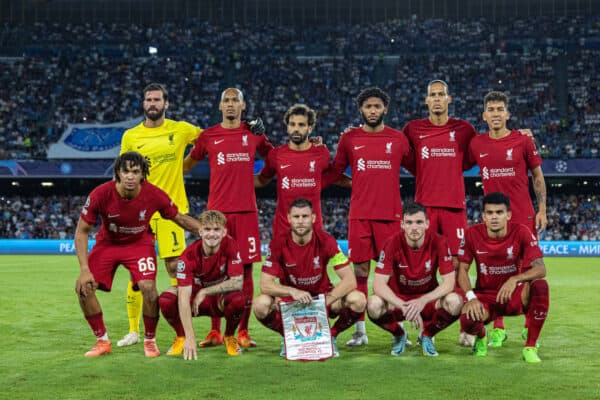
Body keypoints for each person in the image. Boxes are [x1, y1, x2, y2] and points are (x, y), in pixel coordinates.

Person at [74, 152, 202, 357]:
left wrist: (205, 230)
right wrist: (84, 270)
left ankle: (150, 340)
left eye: (135, 171)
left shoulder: (155, 194)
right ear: (118, 173)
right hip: (108, 244)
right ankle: (102, 341)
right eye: (126, 171)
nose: (130, 176)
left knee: (148, 288)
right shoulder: (100, 194)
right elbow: (81, 231)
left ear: (143, 174)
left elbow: (179, 218)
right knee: (84, 288)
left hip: (139, 244)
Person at [184, 87, 273, 348]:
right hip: (217, 215)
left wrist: (262, 179)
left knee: (245, 271)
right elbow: (187, 164)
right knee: (215, 270)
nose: (231, 105)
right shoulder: (208, 136)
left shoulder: (253, 134)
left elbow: (276, 157)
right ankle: (215, 331)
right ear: (220, 106)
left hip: (246, 212)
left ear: (243, 106)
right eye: (227, 101)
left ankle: (242, 331)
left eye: (236, 101)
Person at [117, 83, 202, 347]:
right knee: (137, 273)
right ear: (143, 104)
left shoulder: (181, 129)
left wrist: (187, 164)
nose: (152, 103)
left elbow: (211, 139)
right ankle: (133, 330)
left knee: (175, 267)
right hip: (140, 213)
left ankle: (180, 330)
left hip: (172, 212)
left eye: (157, 99)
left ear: (166, 104)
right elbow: (123, 175)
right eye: (148, 99)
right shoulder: (131, 136)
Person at [328, 87, 412, 346]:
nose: (373, 110)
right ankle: (360, 331)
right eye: (368, 107)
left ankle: (400, 330)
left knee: (394, 274)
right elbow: (334, 172)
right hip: (361, 216)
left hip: (390, 216)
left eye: (377, 106)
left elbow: (419, 168)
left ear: (385, 109)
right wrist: (358, 183)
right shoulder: (350, 139)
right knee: (361, 271)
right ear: (361, 110)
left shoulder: (398, 139)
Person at [467, 91, 547, 347]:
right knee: (494, 272)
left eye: (500, 109)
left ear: (507, 114)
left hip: (523, 217)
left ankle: (528, 325)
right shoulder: (476, 144)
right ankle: (498, 328)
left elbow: (537, 176)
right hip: (494, 219)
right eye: (491, 109)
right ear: (484, 115)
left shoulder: (522, 141)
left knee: (529, 273)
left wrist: (542, 208)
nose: (496, 114)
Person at [253, 198, 366, 357]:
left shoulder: (327, 241)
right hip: (292, 302)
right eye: (296, 217)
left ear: (313, 218)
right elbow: (265, 285)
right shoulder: (278, 243)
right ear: (289, 218)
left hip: (322, 298)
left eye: (305, 216)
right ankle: (289, 337)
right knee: (260, 304)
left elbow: (350, 280)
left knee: (358, 299)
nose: (300, 221)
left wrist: (325, 302)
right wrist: (293, 291)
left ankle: (331, 336)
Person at [457, 192, 549, 363]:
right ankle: (482, 338)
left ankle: (530, 347)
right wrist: (471, 297)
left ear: (508, 215)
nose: (494, 217)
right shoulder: (471, 234)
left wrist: (514, 279)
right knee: (467, 320)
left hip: (515, 295)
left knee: (541, 286)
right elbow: (462, 270)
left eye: (499, 212)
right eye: (489, 213)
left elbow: (541, 269)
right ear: (483, 216)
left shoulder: (521, 231)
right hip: (486, 296)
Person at [367, 202, 462, 356]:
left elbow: (449, 283)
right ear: (402, 224)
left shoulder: (439, 241)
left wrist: (422, 301)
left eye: (419, 222)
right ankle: (399, 334)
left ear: (427, 224)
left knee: (455, 302)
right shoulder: (392, 243)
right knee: (373, 305)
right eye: (409, 223)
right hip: (399, 300)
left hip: (427, 301)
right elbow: (378, 284)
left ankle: (428, 335)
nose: (414, 227)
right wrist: (403, 305)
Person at [158, 210, 246, 359]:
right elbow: (183, 298)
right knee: (166, 299)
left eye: (216, 229)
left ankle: (229, 336)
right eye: (207, 229)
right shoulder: (188, 256)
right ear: (200, 231)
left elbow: (237, 282)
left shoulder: (230, 245)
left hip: (218, 299)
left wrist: (205, 291)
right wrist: (190, 336)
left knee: (239, 300)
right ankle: (181, 337)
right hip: (195, 301)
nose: (212, 234)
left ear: (224, 232)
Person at [254, 103, 350, 239]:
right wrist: (232, 180)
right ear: (287, 127)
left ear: (310, 128)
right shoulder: (276, 155)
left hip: (313, 232)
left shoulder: (322, 153)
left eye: (301, 125)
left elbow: (333, 176)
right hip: (283, 232)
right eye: (292, 124)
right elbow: (262, 180)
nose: (296, 129)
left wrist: (358, 182)